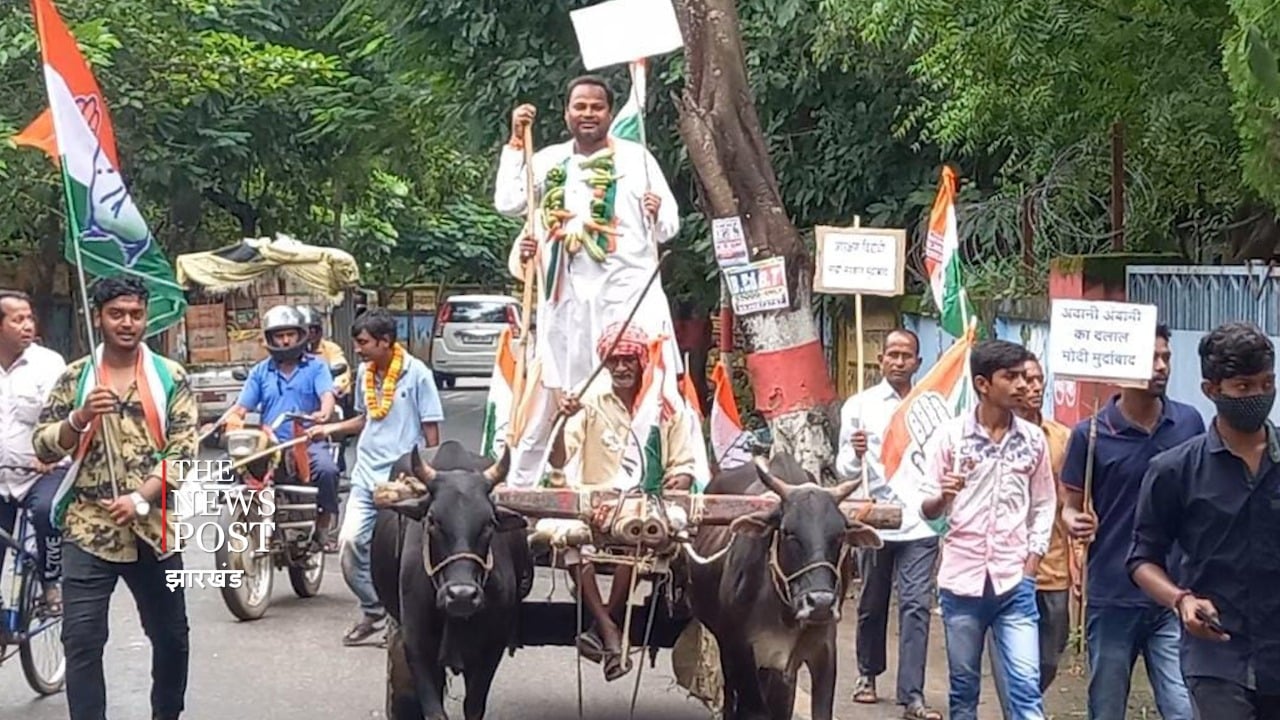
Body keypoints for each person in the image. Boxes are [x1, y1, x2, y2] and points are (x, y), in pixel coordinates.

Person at [494, 75, 681, 486]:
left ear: (609, 113)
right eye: (580, 106)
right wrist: (515, 142)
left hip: (626, 304)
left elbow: (669, 227)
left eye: (597, 107)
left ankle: (636, 482)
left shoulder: (637, 160)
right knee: (557, 398)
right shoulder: (549, 161)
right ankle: (528, 490)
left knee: (634, 396)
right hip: (566, 308)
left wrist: (656, 211)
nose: (588, 114)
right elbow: (508, 202)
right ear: (567, 113)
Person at [33, 276, 197, 720]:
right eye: (116, 314)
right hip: (88, 528)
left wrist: (140, 498)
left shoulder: (170, 377)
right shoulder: (76, 378)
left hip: (154, 528)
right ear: (98, 318)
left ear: (146, 317)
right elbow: (43, 446)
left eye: (136, 314)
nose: (127, 323)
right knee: (81, 640)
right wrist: (80, 417)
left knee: (171, 637)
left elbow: (183, 453)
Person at [1129, 322, 1280, 718]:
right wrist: (1181, 600)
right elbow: (1142, 559)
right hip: (1216, 655)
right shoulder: (1174, 470)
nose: (1259, 395)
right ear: (1211, 390)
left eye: (1267, 384)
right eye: (1243, 387)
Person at [1061, 323, 1198, 720]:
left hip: (1174, 591)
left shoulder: (1189, 423)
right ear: (1122, 365)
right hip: (1112, 591)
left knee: (1182, 707)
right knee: (1106, 707)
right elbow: (1069, 505)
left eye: (1166, 357)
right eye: (1151, 358)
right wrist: (1074, 521)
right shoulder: (1090, 435)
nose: (1162, 367)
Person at [547, 322, 696, 682]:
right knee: (570, 540)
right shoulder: (588, 404)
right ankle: (609, 628)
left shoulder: (665, 407)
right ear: (605, 364)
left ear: (642, 362)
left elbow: (684, 465)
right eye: (613, 360)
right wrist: (560, 419)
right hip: (594, 505)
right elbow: (558, 459)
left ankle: (603, 624)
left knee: (639, 536)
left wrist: (680, 479)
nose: (621, 367)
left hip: (644, 508)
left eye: (628, 359)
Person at [919, 339, 1055, 720]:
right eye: (1010, 377)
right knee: (964, 688)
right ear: (983, 384)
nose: (1022, 385)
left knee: (1026, 684)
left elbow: (1044, 503)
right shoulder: (950, 438)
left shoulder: (1033, 440)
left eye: (1024, 376)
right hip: (961, 583)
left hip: (1015, 582)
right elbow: (926, 510)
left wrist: (1033, 561)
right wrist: (943, 497)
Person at [307, 308, 443, 646]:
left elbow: (431, 432)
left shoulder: (418, 374)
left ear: (385, 341)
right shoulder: (364, 375)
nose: (358, 349)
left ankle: (401, 621)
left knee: (399, 556)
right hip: (366, 475)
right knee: (349, 545)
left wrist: (431, 478)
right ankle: (374, 610)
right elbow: (365, 419)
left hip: (403, 481)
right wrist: (329, 429)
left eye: (364, 342)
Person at [836, 328, 941, 720]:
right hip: (876, 521)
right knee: (871, 602)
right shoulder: (860, 406)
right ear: (880, 360)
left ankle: (912, 695)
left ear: (918, 362)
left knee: (916, 606)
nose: (899, 361)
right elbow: (844, 469)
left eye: (906, 355)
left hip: (921, 522)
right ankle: (867, 674)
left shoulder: (932, 407)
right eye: (892, 354)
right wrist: (855, 451)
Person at [988, 354, 1073, 717]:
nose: (1034, 387)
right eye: (1025, 379)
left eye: (1039, 379)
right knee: (1011, 659)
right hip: (1004, 567)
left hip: (1052, 565)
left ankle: (1025, 705)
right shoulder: (990, 438)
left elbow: (1072, 498)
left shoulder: (1062, 438)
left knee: (1049, 657)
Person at [220, 304, 340, 552]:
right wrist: (226, 420)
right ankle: (239, 518)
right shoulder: (260, 372)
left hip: (306, 441)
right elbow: (241, 407)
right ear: (270, 338)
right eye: (279, 335)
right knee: (229, 468)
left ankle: (323, 525)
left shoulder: (317, 367)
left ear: (300, 335)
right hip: (269, 443)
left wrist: (324, 412)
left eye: (290, 334)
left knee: (327, 471)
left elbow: (327, 395)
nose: (285, 341)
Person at [0, 290, 68, 614]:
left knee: (46, 512)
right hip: (2, 476)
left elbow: (61, 416)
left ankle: (51, 583)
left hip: (44, 471)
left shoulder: (49, 364)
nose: (27, 325)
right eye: (18, 320)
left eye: (29, 318)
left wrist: (48, 454)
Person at [298, 305, 351, 397]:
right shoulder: (289, 352)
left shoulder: (330, 348)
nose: (310, 335)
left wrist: (336, 387)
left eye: (313, 331)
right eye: (305, 331)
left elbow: (340, 366)